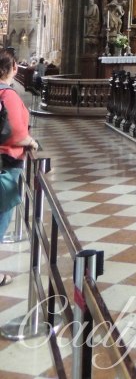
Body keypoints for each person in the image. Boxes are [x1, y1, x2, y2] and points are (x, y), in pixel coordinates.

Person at [0, 47, 39, 279]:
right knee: (1, 216)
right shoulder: (9, 94)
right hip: (6, 164)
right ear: (14, 68)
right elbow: (16, 131)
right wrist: (30, 141)